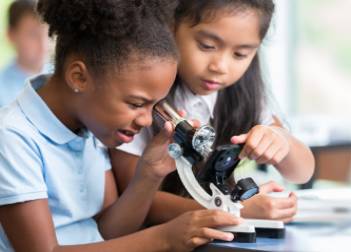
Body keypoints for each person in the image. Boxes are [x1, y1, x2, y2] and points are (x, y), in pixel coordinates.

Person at [0, 1, 241, 251]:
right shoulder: (12, 136)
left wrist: (149, 175)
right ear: (79, 77)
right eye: (137, 103)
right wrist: (164, 238)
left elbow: (109, 233)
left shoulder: (90, 125)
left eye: (154, 105)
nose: (147, 120)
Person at [111, 0, 315, 225]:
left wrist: (281, 141)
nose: (220, 66)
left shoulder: (243, 92)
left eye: (240, 54)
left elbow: (302, 173)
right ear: (171, 26)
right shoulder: (142, 96)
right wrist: (235, 210)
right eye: (207, 46)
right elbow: (136, 202)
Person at [0, 0, 50, 107]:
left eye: (47, 33)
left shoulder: (62, 78)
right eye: (32, 34)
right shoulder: (2, 89)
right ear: (11, 35)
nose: (43, 44)